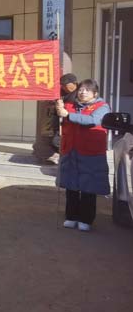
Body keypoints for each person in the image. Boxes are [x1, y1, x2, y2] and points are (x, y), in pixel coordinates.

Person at [55, 79, 110, 232]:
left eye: (87, 90)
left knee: (88, 187)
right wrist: (59, 108)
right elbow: (60, 118)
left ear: (95, 93)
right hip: (71, 151)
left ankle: (86, 219)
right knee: (71, 186)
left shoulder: (102, 107)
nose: (83, 92)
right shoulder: (70, 105)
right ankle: (71, 217)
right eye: (80, 89)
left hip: (91, 153)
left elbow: (92, 121)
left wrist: (67, 115)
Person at [49, 73, 79, 163]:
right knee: (56, 141)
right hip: (59, 120)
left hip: (72, 120)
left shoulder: (80, 92)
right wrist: (56, 104)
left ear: (75, 83)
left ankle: (67, 157)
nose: (64, 87)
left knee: (63, 141)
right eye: (62, 85)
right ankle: (62, 156)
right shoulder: (61, 92)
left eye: (66, 85)